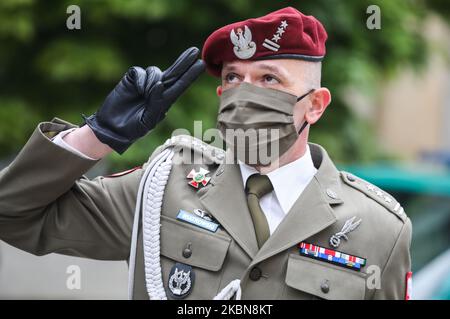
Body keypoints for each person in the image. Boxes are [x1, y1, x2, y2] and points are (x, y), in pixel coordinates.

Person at [0, 7, 412, 300]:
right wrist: (98, 135)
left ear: (316, 104)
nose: (245, 93)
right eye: (234, 78)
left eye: (269, 78)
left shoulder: (379, 228)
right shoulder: (163, 189)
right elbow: (13, 213)